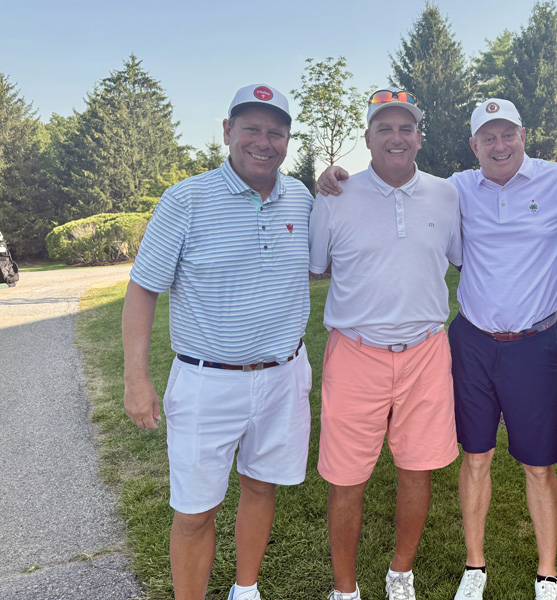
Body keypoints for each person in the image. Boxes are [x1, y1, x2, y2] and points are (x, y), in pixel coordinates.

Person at [317, 99, 557, 600]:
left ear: (524, 136)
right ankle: (474, 566)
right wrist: (336, 178)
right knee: (475, 456)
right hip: (472, 341)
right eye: (488, 138)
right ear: (473, 145)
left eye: (508, 135)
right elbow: (403, 190)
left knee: (538, 465)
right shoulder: (453, 189)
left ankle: (547, 573)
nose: (499, 146)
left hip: (533, 345)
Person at [122, 84, 314, 600]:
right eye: (251, 128)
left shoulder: (301, 197)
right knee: (194, 511)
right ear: (228, 132)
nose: (263, 142)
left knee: (262, 486)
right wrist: (136, 379)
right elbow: (142, 290)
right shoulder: (186, 199)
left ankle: (245, 589)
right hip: (207, 381)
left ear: (287, 140)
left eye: (276, 132)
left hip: (283, 376)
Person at [309, 87, 462, 600]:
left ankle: (401, 573)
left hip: (426, 351)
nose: (396, 137)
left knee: (417, 468)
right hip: (355, 352)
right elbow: (316, 264)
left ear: (419, 136)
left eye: (406, 128)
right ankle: (345, 589)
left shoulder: (446, 194)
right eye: (384, 128)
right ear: (368, 137)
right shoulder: (335, 195)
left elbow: (457, 255)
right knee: (346, 476)